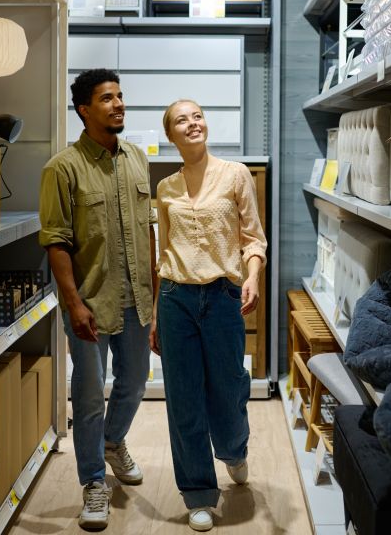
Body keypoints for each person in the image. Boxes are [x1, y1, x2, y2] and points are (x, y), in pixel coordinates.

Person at [38, 68, 157, 530]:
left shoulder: (136, 160)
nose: (119, 104)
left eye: (121, 96)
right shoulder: (62, 168)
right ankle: (93, 481)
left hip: (135, 297)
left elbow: (147, 230)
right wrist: (73, 303)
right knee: (89, 393)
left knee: (135, 381)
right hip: (89, 300)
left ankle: (113, 443)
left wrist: (154, 290)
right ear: (84, 109)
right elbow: (56, 241)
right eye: (107, 98)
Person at [151, 99, 268, 532]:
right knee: (183, 398)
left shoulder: (235, 174)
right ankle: (198, 491)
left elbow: (253, 238)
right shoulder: (166, 190)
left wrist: (251, 277)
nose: (192, 122)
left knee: (229, 386)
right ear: (172, 136)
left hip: (222, 296)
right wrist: (157, 316)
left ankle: (235, 448)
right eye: (182, 119)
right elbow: (163, 255)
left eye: (197, 115)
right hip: (176, 299)